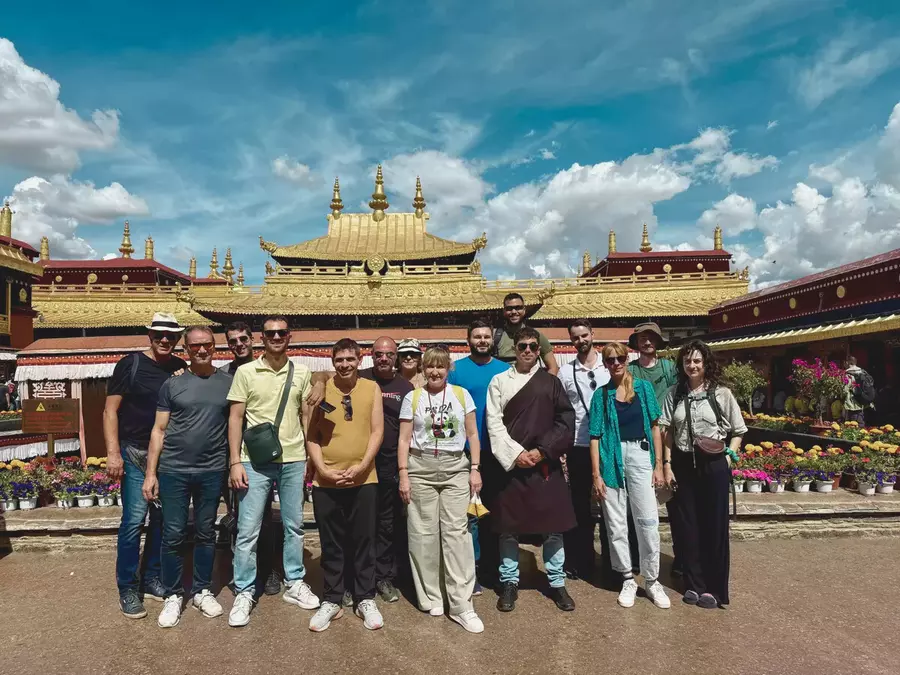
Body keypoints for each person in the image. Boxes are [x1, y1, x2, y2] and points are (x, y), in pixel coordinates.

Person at [226, 316, 320, 627]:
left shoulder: (301, 372)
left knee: (295, 525)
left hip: (293, 458)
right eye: (270, 333)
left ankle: (294, 581)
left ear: (289, 337)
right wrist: (235, 461)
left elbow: (306, 415)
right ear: (261, 338)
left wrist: (309, 456)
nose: (276, 337)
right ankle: (244, 590)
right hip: (254, 461)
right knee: (248, 529)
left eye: (281, 333)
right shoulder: (246, 372)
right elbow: (235, 418)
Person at [141, 326, 232, 627]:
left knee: (206, 531)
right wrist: (151, 473)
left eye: (207, 345)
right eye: (195, 346)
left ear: (214, 347)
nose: (201, 350)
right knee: (173, 533)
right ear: (186, 350)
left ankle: (202, 590)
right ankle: (173, 593)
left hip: (212, 469)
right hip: (174, 469)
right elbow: (159, 430)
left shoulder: (228, 383)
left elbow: (236, 423)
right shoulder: (172, 384)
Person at [486, 326, 576, 612]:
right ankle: (509, 581)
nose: (527, 351)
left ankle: (557, 581)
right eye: (522, 346)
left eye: (532, 347)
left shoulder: (551, 383)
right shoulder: (499, 381)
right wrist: (516, 454)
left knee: (553, 528)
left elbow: (565, 421)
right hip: (512, 466)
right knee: (508, 529)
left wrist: (542, 451)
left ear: (539, 350)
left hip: (544, 464)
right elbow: (493, 422)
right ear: (514, 348)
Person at [104, 312, 187, 619]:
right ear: (149, 336)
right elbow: (110, 411)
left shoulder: (179, 367)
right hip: (134, 451)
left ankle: (152, 576)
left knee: (162, 519)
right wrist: (113, 453)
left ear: (177, 339)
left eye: (171, 336)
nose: (165, 340)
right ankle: (127, 586)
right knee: (134, 521)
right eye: (159, 335)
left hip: (167, 455)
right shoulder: (131, 364)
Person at [398, 345, 484, 633]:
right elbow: (404, 439)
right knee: (422, 534)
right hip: (420, 467)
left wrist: (475, 468)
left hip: (455, 467)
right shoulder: (413, 397)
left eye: (440, 366)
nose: (435, 372)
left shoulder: (461, 395)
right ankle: (431, 596)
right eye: (430, 366)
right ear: (423, 369)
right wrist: (403, 474)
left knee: (457, 534)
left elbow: (472, 433)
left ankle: (461, 604)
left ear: (448, 368)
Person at [659, 339, 747, 609]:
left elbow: (739, 430)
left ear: (706, 363)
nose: (692, 365)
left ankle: (714, 589)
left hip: (713, 464)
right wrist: (667, 464)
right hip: (683, 464)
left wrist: (729, 458)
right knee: (687, 526)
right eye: (687, 361)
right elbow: (666, 430)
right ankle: (693, 584)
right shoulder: (674, 393)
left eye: (697, 360)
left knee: (714, 526)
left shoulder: (721, 393)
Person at [306, 338, 385, 632]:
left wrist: (363, 465)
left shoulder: (371, 388)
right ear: (332, 361)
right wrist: (323, 469)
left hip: (364, 478)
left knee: (364, 540)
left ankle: (365, 597)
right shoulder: (321, 389)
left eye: (350, 359)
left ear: (360, 360)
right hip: (326, 481)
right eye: (339, 360)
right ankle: (332, 598)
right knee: (331, 543)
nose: (345, 365)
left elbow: (377, 431)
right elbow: (312, 435)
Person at [589, 341, 670, 610]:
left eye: (620, 358)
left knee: (647, 520)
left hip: (640, 454)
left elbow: (655, 427)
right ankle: (627, 578)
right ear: (605, 364)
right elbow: (595, 436)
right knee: (615, 522)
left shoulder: (644, 389)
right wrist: (596, 475)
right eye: (610, 360)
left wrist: (658, 465)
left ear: (627, 359)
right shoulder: (601, 396)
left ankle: (652, 579)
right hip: (611, 457)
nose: (616, 364)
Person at [447, 320, 510, 593]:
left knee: (495, 511)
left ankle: (494, 568)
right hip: (465, 452)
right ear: (468, 340)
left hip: (498, 452)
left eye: (486, 336)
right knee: (469, 514)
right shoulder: (456, 371)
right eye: (477, 336)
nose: (482, 340)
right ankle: (470, 568)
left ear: (492, 340)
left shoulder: (504, 370)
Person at [220, 322, 282, 597]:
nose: (239, 344)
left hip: (261, 454)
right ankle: (242, 569)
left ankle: (269, 569)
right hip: (232, 455)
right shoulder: (223, 375)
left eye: (243, 339)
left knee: (264, 515)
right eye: (233, 341)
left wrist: (319, 381)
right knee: (237, 516)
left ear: (253, 339)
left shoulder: (266, 368)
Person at [359, 336, 413, 604]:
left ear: (396, 357)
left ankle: (384, 576)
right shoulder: (359, 378)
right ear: (371, 355)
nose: (383, 358)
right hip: (361, 462)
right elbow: (323, 377)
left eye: (389, 354)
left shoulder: (405, 387)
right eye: (379, 354)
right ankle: (360, 577)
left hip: (390, 463)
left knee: (387, 524)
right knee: (361, 522)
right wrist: (321, 382)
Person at [556, 319, 609, 581]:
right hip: (578, 444)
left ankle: (612, 561)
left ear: (593, 334)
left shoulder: (609, 365)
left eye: (584, 335)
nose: (581, 341)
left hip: (608, 444)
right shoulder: (566, 372)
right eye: (576, 337)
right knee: (578, 504)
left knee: (610, 503)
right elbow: (561, 411)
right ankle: (580, 559)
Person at [627, 321, 676, 575]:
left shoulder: (669, 368)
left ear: (657, 341)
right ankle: (636, 556)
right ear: (636, 343)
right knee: (635, 502)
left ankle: (680, 557)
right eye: (642, 339)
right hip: (640, 438)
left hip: (667, 438)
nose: (646, 342)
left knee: (675, 502)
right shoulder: (630, 370)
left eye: (650, 338)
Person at [493, 293, 558, 375]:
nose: (514, 312)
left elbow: (553, 367)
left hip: (530, 381)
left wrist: (546, 383)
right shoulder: (495, 336)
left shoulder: (536, 336)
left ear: (524, 310)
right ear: (504, 311)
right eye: (509, 308)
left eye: (518, 308)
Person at [843, 356, 874, 426]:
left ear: (847, 362)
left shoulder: (848, 373)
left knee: (853, 423)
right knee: (861, 420)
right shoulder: (863, 371)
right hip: (864, 400)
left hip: (853, 403)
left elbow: (845, 389)